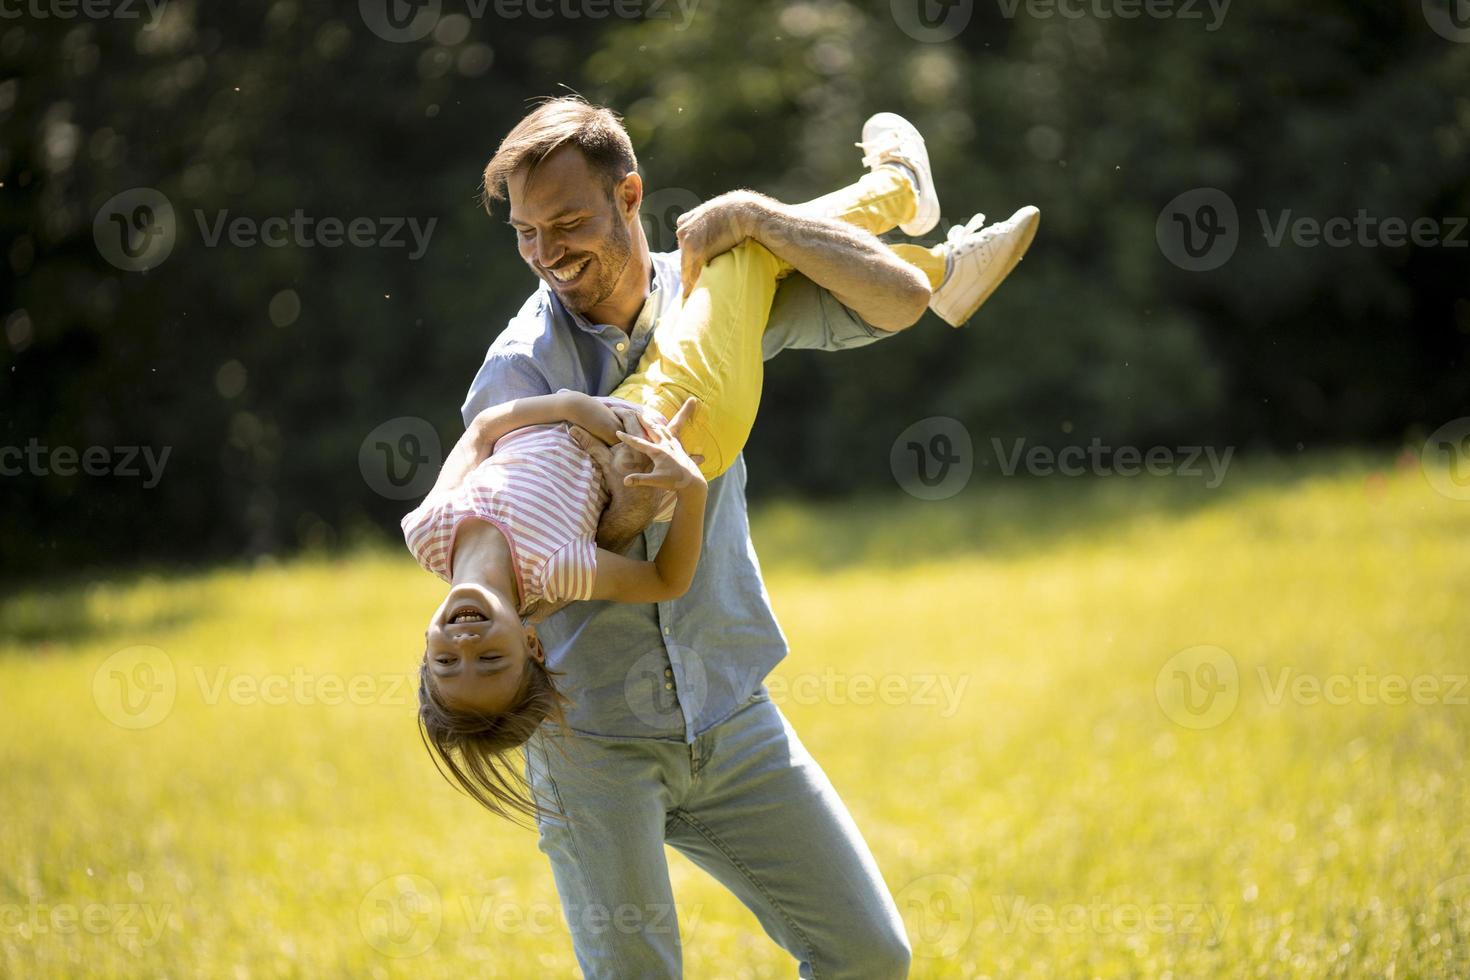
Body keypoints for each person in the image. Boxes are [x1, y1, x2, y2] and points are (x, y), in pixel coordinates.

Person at [435, 97, 1036, 978]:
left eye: (566, 223)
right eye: (526, 233)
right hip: (595, 740)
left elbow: (894, 304)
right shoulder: (518, 368)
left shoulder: (713, 294)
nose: (547, 254)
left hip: (729, 707)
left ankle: (910, 210)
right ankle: (908, 204)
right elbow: (515, 552)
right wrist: (635, 512)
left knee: (869, 957)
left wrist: (759, 214)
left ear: (629, 196)